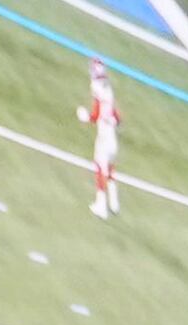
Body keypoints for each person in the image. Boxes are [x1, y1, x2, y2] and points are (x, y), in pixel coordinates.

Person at [81, 62, 121, 218]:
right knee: (109, 167)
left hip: (104, 136)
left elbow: (96, 114)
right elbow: (117, 117)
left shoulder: (96, 87)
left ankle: (101, 205)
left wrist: (87, 117)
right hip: (112, 136)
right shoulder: (109, 88)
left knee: (99, 168)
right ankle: (114, 202)